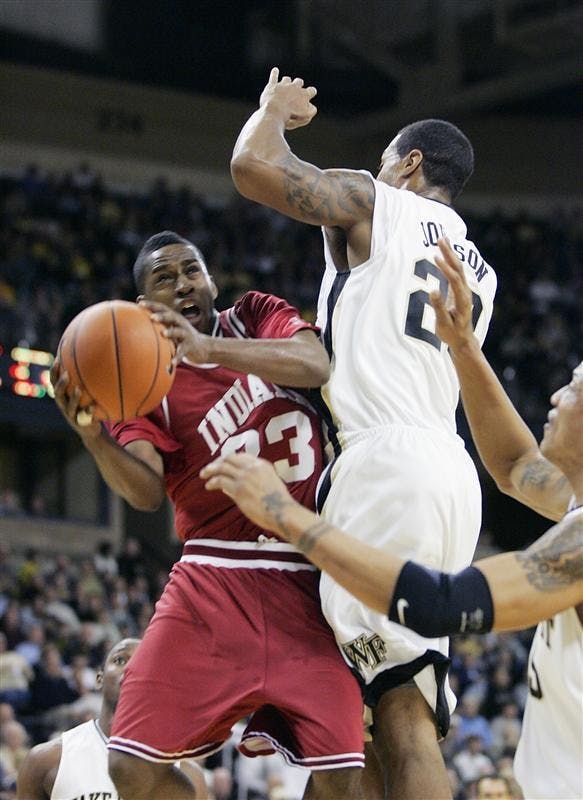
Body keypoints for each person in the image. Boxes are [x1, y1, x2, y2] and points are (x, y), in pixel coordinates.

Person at [202, 238, 582, 799]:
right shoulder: (571, 504)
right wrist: (462, 347)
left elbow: (441, 603)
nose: (555, 396)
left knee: (397, 721)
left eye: (574, 390)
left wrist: (289, 517)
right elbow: (513, 464)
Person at [231, 68, 498, 798]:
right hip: (449, 475)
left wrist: (272, 111)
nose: (377, 169)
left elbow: (253, 168)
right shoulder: (480, 270)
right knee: (392, 708)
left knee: (365, 717)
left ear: (409, 165)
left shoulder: (377, 202)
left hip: (382, 467)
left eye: (385, 158)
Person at [50, 231, 365, 800]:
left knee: (348, 776)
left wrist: (207, 349)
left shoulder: (254, 315)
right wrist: (91, 434)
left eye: (191, 270)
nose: (183, 284)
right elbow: (144, 491)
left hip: (310, 571)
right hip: (214, 574)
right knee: (128, 765)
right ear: (144, 306)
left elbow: (314, 363)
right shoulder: (145, 384)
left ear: (212, 281)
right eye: (163, 279)